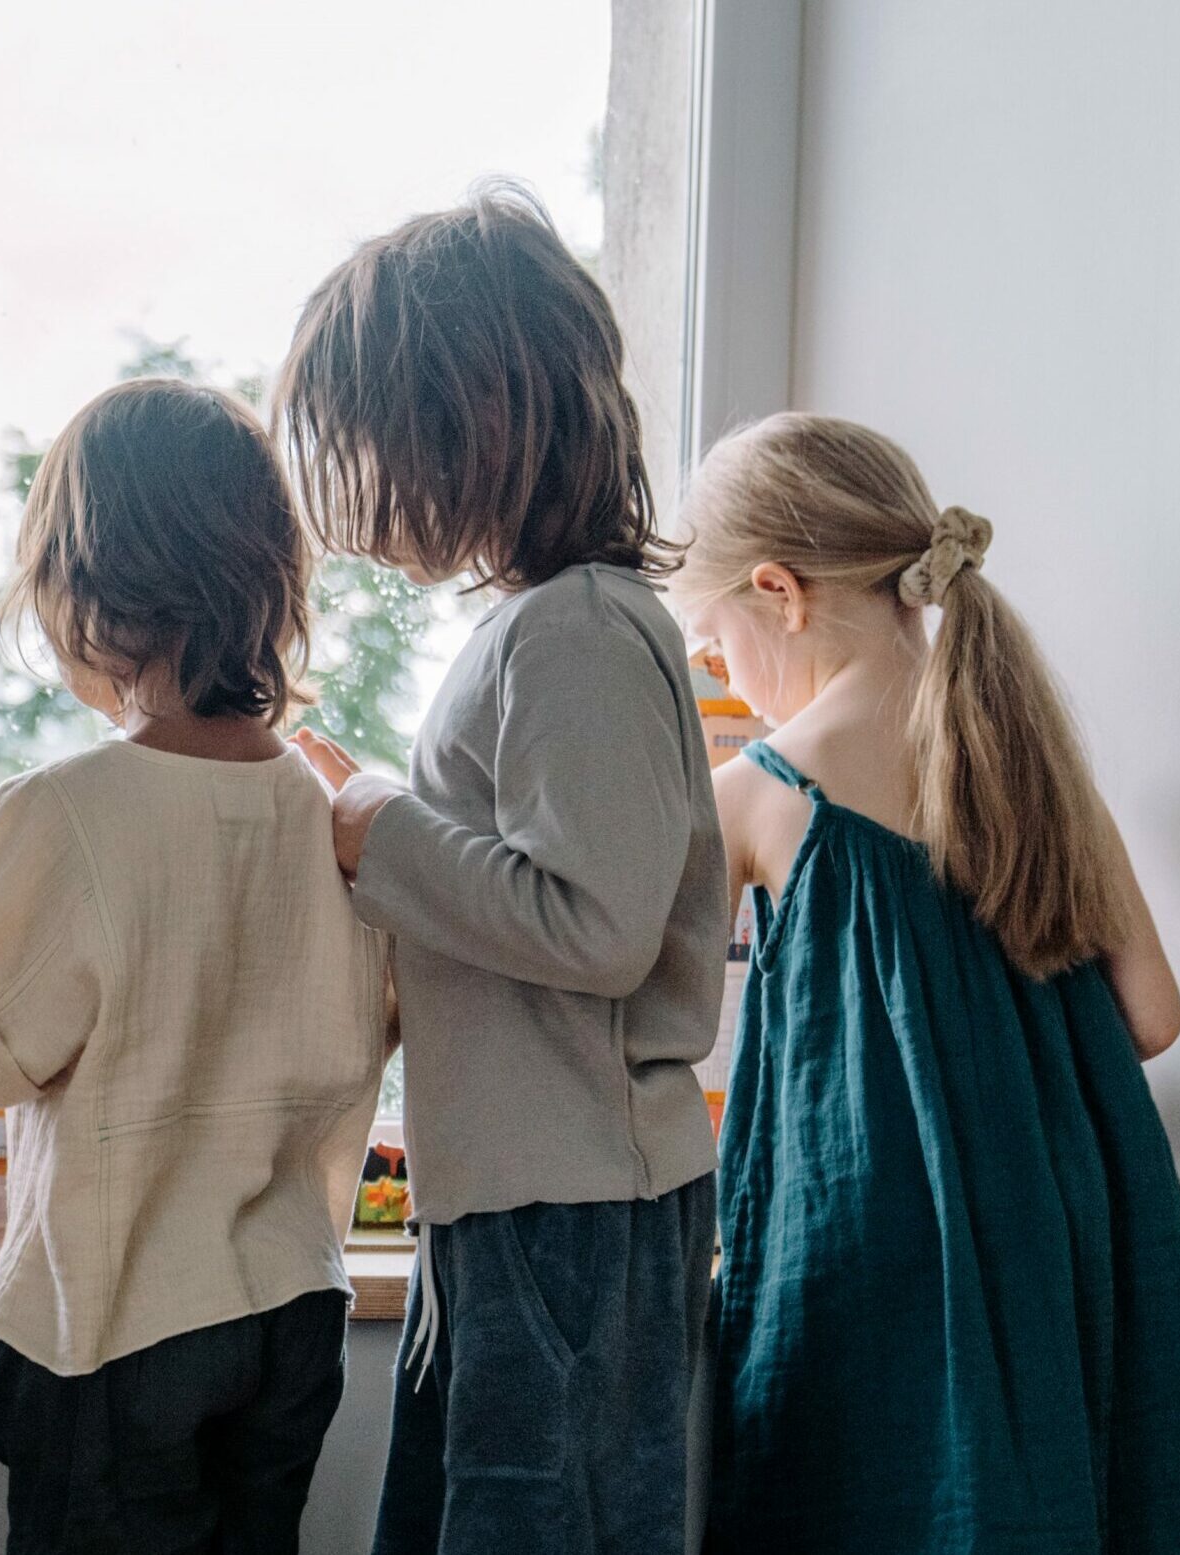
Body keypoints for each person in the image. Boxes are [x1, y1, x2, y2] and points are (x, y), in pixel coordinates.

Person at [673, 411, 1180, 1553]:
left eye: (715, 646)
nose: (724, 677)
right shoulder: (1026, 754)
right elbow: (1153, 1011)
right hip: (1058, 1233)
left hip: (859, 1254)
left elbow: (671, 1031)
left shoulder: (757, 790)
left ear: (778, 592)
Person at [275, 181, 724, 1555]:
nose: (356, 485)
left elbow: (595, 928)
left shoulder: (577, 630)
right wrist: (389, 810)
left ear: (468, 423)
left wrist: (376, 831)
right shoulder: (545, 624)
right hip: (527, 1189)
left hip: (576, 1202)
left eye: (370, 442)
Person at [0, 375, 393, 1553]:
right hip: (293, 1305)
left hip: (123, 1319)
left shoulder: (64, 813)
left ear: (85, 594)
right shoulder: (341, 806)